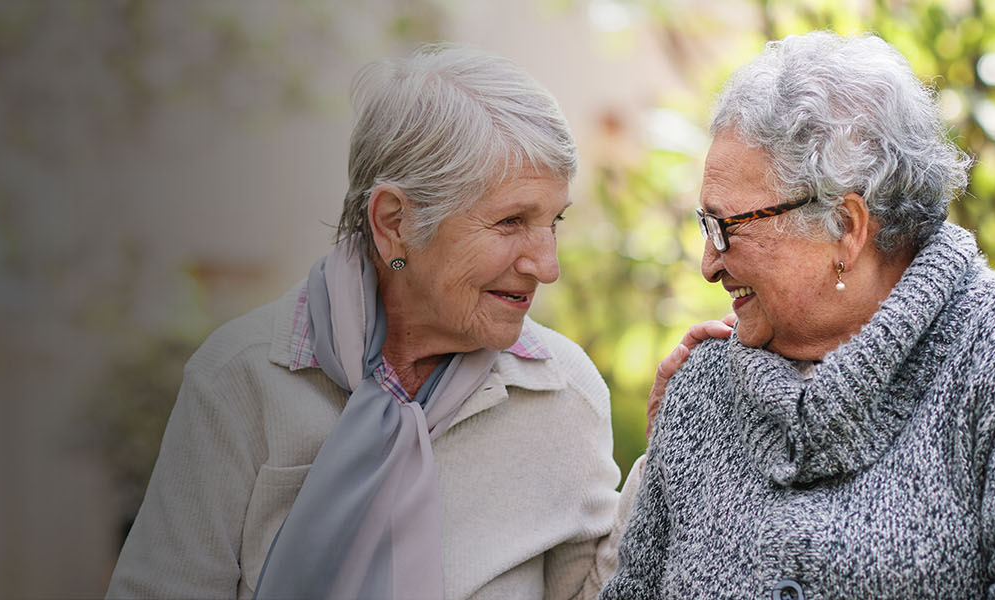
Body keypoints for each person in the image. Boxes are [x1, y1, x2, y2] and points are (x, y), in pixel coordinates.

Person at [602, 31, 995, 599]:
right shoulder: (701, 388)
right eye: (704, 226)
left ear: (846, 226)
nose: (708, 264)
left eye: (729, 227)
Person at [107, 44, 626, 599]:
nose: (547, 266)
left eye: (555, 221)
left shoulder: (562, 393)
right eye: (511, 221)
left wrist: (671, 451)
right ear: (394, 222)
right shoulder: (240, 381)